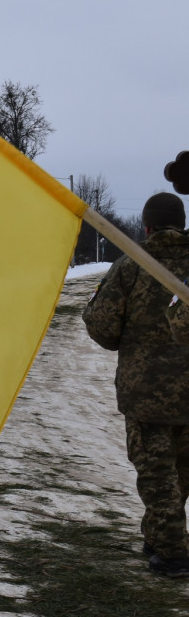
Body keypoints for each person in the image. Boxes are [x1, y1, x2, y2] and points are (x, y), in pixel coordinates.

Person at [83, 192, 189, 578]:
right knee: (180, 471)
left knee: (158, 474)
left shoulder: (131, 266)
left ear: (146, 226)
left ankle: (174, 554)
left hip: (147, 394)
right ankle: (159, 534)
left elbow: (104, 327)